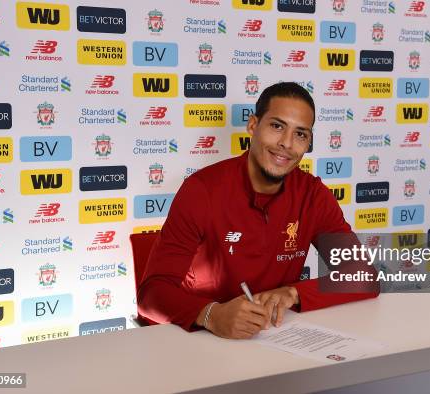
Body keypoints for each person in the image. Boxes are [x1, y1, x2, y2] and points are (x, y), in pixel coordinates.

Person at [137, 82, 379, 339]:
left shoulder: (313, 195)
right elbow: (151, 294)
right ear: (253, 126)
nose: (286, 143)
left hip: (273, 337)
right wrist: (211, 314)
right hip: (201, 338)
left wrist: (293, 293)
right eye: (277, 126)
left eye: (300, 134)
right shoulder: (201, 190)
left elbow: (364, 276)